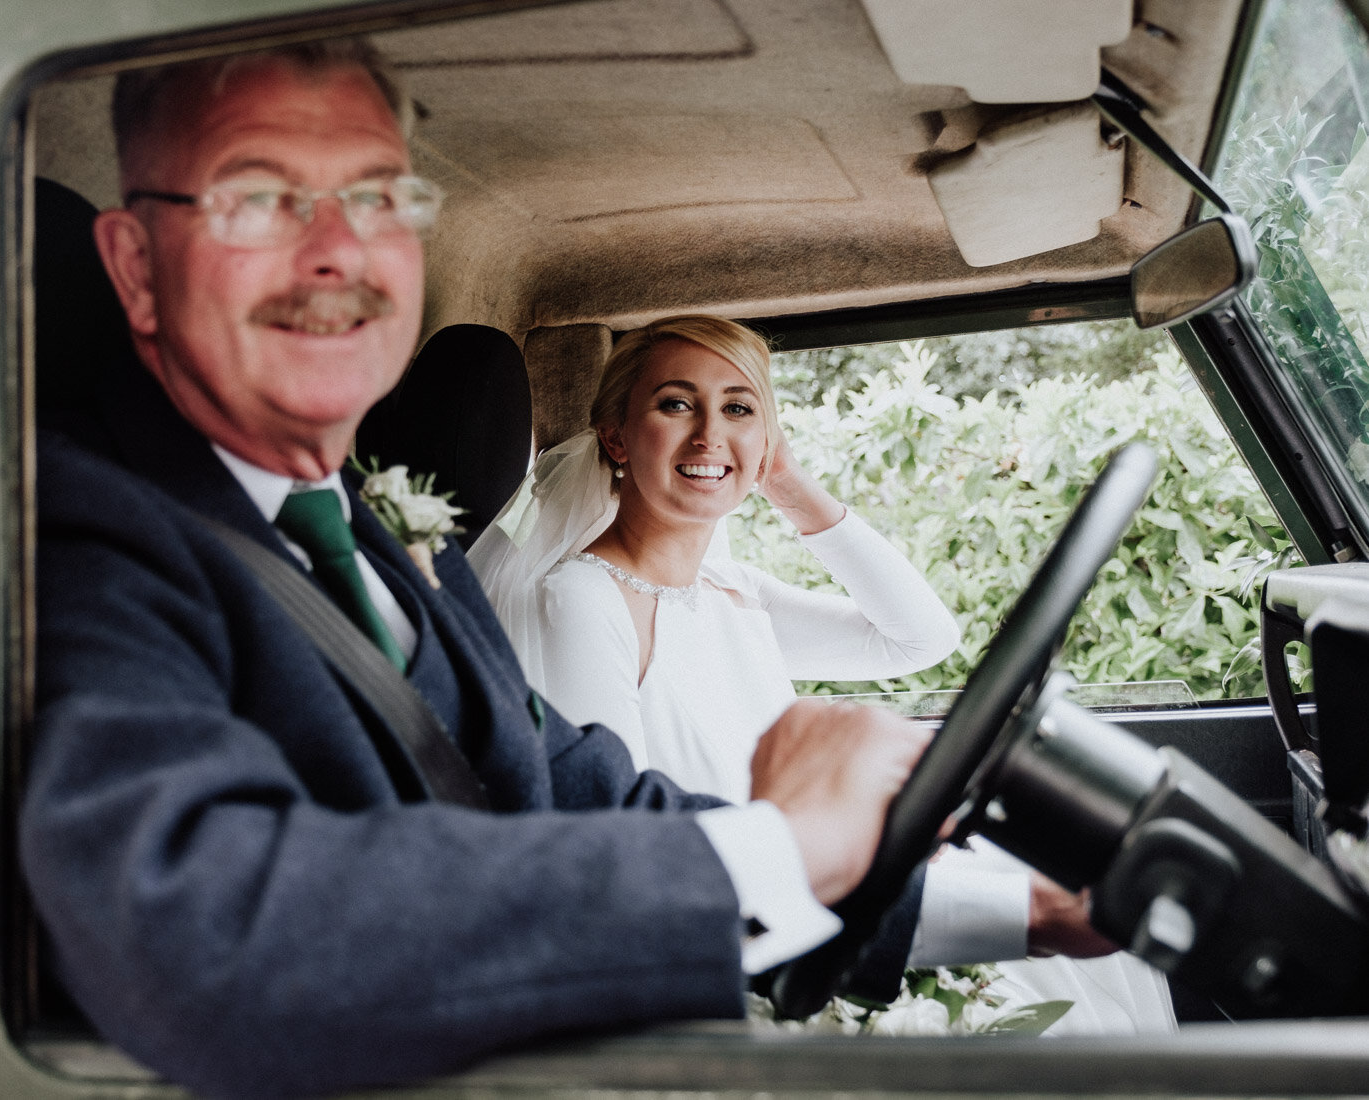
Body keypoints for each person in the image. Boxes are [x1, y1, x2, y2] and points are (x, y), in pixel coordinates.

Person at [19, 39, 935, 1100]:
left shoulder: (382, 534)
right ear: (134, 265)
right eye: (259, 197)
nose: (337, 251)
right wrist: (781, 847)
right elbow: (201, 932)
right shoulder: (82, 524)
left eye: (376, 199)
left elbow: (569, 788)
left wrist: (993, 900)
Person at [469, 315, 1177, 1034]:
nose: (710, 436)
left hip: (824, 885)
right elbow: (621, 844)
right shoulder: (582, 601)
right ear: (616, 436)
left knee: (1101, 922)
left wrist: (788, 484)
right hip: (748, 929)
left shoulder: (730, 589)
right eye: (676, 404)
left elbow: (918, 637)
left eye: (739, 409)